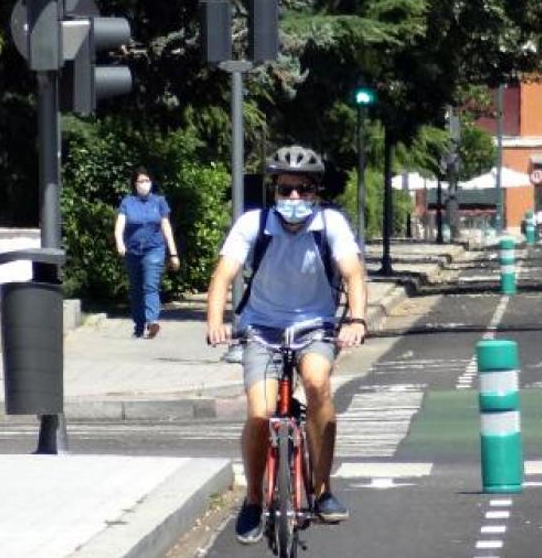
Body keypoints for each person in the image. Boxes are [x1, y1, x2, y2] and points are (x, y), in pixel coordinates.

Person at [205, 144, 367, 544]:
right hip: (261, 328)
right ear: (274, 190)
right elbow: (223, 275)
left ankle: (323, 490)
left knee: (316, 383)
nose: (294, 198)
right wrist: (216, 322)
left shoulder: (331, 224)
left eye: (303, 190)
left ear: (315, 192)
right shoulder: (253, 224)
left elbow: (354, 274)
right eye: (285, 189)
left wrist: (357, 320)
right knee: (260, 414)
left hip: (315, 327)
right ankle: (254, 499)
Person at [114, 168, 181, 339]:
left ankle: (152, 322)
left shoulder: (159, 202)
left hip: (154, 249)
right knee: (136, 289)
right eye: (141, 181)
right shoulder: (127, 203)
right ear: (134, 184)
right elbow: (120, 225)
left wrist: (173, 253)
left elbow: (166, 227)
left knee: (150, 286)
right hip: (133, 251)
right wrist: (120, 242)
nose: (144, 184)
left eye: (147, 181)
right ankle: (139, 325)